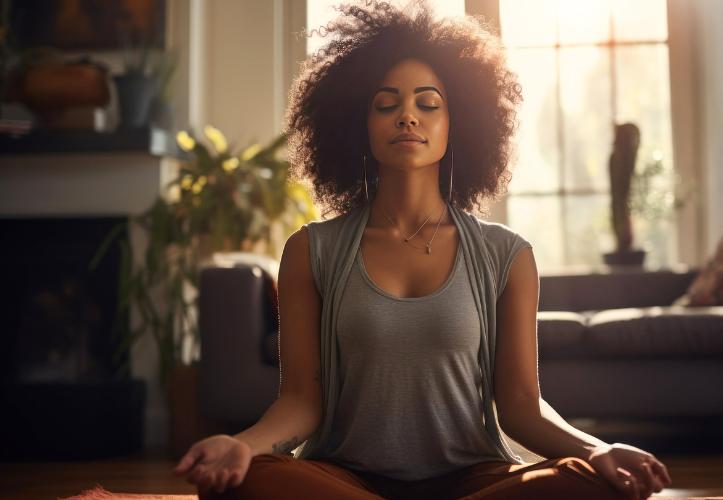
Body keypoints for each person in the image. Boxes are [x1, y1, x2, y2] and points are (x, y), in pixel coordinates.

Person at [173, 1, 672, 498]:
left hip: (473, 481)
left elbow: (521, 404)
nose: (407, 116)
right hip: (346, 479)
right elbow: (301, 401)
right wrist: (243, 445)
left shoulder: (508, 254)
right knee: (244, 481)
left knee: (596, 485)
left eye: (427, 104)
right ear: (358, 125)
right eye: (386, 104)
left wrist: (595, 450)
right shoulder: (311, 249)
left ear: (459, 124)